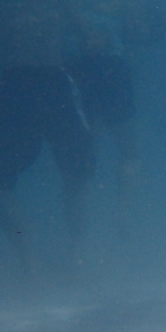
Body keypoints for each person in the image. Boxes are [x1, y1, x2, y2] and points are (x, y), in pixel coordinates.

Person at [0, 0, 94, 277]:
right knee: (75, 173)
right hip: (45, 82)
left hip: (19, 84)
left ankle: (38, 264)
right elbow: (87, 36)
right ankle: (70, 255)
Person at [64, 22, 139, 224]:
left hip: (109, 110)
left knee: (128, 154)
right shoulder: (85, 62)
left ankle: (121, 211)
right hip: (98, 113)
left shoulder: (112, 62)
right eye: (89, 36)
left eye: (97, 35)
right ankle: (85, 219)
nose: (92, 40)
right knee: (86, 163)